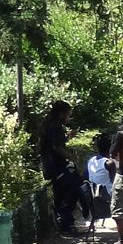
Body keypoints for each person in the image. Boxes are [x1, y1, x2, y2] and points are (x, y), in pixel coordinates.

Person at [39, 100, 90, 233]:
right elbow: (56, 147)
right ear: (61, 113)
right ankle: (68, 216)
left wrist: (68, 137)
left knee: (63, 192)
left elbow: (55, 143)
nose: (69, 118)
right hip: (56, 166)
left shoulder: (49, 125)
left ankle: (66, 222)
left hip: (51, 166)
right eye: (68, 115)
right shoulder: (55, 126)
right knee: (77, 183)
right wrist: (70, 157)